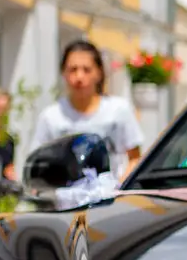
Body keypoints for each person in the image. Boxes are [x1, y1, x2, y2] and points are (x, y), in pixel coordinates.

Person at [28, 40, 145, 179]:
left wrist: (119, 190)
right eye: (73, 69)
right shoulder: (51, 117)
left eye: (86, 70)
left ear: (99, 73)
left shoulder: (119, 110)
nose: (79, 77)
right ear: (63, 73)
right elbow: (37, 166)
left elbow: (135, 158)